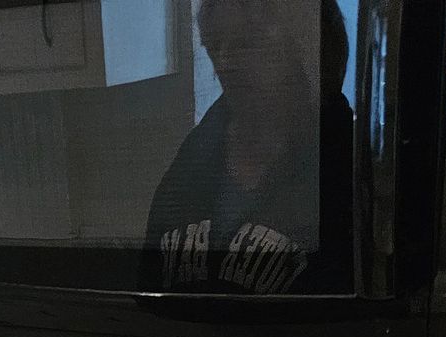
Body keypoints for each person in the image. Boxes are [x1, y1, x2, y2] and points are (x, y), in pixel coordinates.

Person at [143, 0, 355, 297]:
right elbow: (149, 291)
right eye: (215, 46)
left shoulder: (349, 166)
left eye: (247, 43)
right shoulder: (193, 159)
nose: (225, 62)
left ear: (307, 51)